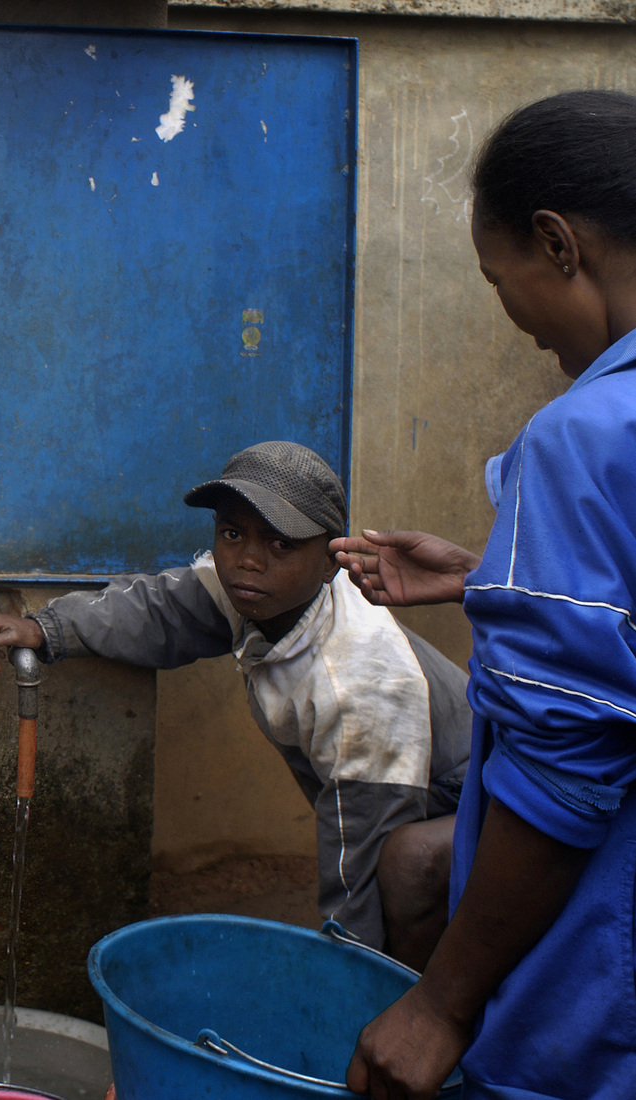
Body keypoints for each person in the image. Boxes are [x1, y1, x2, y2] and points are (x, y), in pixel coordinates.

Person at [335, 90, 636, 1100]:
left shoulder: (583, 433)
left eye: (493, 278)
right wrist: (486, 577)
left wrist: (440, 1001)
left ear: (556, 245)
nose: (511, 322)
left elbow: (567, 760)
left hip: (595, 998)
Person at [0, 442, 471, 969]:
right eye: (232, 534)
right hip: (397, 790)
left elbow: (361, 864)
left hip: (472, 800)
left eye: (280, 544)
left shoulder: (360, 684)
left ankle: (417, 1009)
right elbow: (158, 611)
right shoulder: (256, 591)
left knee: (400, 872)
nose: (247, 560)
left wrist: (342, 991)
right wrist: (43, 628)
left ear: (331, 563)